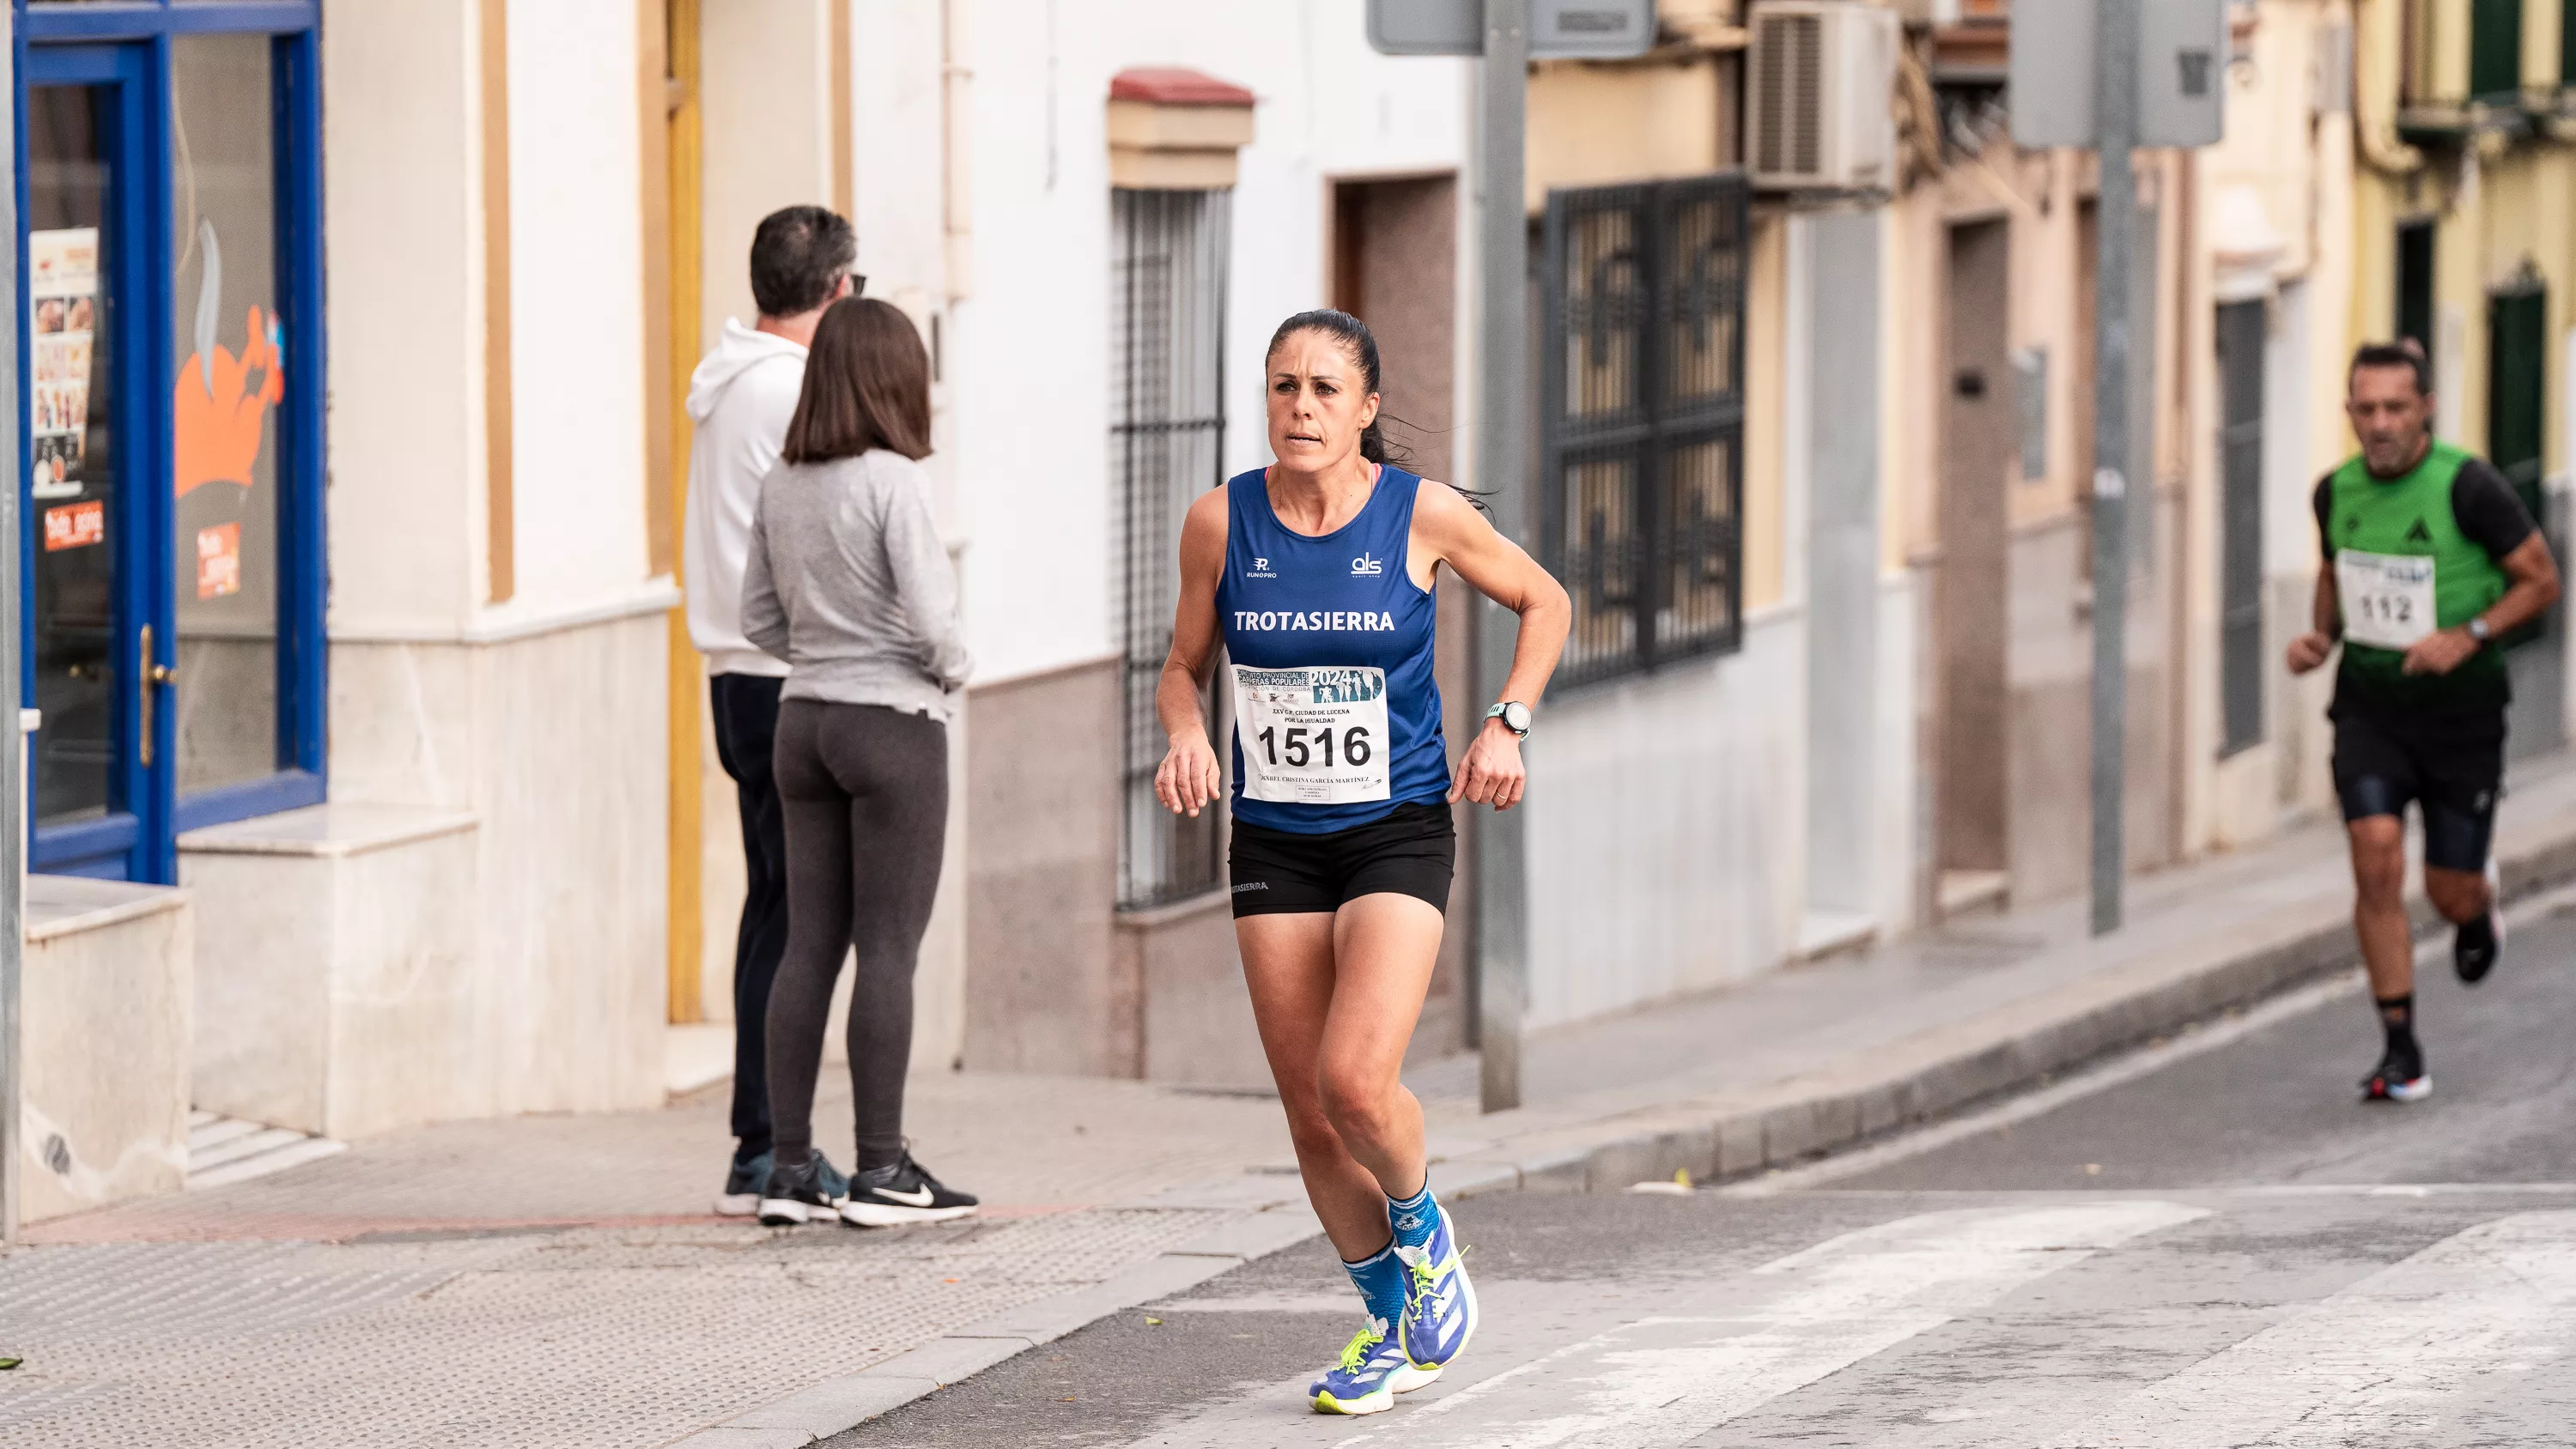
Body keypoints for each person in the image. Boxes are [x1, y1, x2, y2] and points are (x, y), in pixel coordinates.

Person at [1155, 310, 1571, 1414]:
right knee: (1305, 1109)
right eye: (1285, 386)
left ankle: (1427, 1231)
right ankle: (1391, 1321)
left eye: (1326, 389)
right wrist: (1188, 730)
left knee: (1355, 1079)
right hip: (1277, 836)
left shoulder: (1418, 514)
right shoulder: (1220, 521)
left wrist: (1508, 721)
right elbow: (1181, 663)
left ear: (1367, 408)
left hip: (1395, 826)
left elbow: (1546, 599)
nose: (1302, 407)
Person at [740, 297, 979, 1228]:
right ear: (893, 379)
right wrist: (953, 667)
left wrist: (820, 648)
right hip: (892, 724)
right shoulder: (892, 480)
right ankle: (883, 1169)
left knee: (809, 943)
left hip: (803, 720)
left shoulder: (782, 478)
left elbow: (757, 617)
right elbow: (930, 617)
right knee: (888, 949)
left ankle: (790, 1167)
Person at [2287, 341, 2561, 1103]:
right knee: (2374, 852)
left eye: (2395, 408)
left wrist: (2468, 635)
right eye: (2366, 409)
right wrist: (2319, 638)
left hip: (2462, 714)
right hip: (2372, 707)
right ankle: (2400, 1047)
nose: (2380, 424)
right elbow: (2336, 572)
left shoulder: (2469, 488)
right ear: (2348, 413)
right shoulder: (2332, 491)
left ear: (2425, 411)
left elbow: (2541, 580)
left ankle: (2476, 910)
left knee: (2448, 888)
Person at [683, 206, 858, 1216]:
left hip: (735, 672)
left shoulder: (728, 381)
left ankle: (764, 1137)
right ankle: (770, 1146)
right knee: (801, 920)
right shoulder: (790, 390)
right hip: (785, 672)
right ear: (835, 291)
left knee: (776, 911)